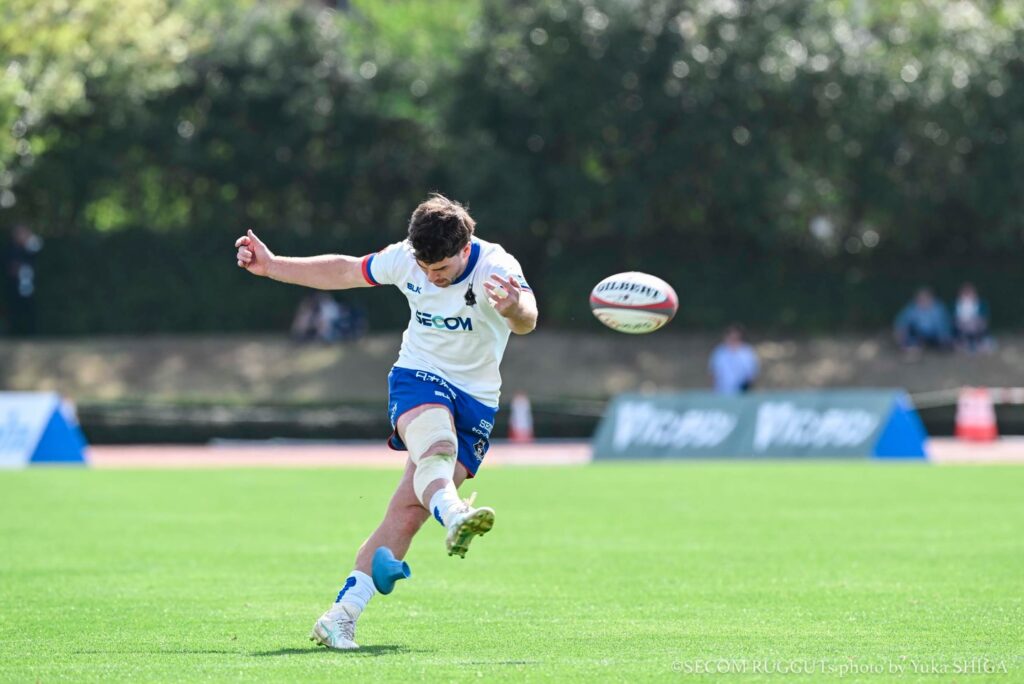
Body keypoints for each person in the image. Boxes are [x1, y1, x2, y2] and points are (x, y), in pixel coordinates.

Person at [234, 194, 538, 650]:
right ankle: (455, 514)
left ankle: (340, 616)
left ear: (465, 247)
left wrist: (513, 307)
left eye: (442, 270)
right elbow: (346, 270)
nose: (432, 278)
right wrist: (273, 265)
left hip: (477, 400)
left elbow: (527, 319)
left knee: (408, 513)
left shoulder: (497, 266)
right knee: (438, 449)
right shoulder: (405, 259)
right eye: (425, 269)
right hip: (419, 376)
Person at [4, 224, 43, 336]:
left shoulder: (30, 248)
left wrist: (28, 238)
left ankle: (30, 332)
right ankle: (14, 332)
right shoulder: (11, 248)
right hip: (13, 284)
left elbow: (37, 246)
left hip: (27, 284)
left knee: (28, 309)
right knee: (14, 309)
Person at [893, 287, 952, 354]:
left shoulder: (938, 309)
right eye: (920, 299)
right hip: (918, 336)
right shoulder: (912, 308)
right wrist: (900, 333)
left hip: (934, 337)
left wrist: (944, 339)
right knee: (906, 332)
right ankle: (910, 348)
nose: (923, 301)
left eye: (925, 298)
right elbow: (902, 321)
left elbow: (943, 327)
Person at [709, 324, 759, 394]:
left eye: (736, 338)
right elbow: (713, 373)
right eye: (731, 337)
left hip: (742, 393)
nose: (733, 340)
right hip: (722, 392)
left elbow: (751, 374)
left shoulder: (747, 352)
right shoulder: (719, 352)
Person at [952, 283, 992, 353]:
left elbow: (984, 320)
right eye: (965, 293)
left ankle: (977, 345)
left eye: (969, 293)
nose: (967, 296)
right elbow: (955, 321)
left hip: (977, 331)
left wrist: (975, 324)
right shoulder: (956, 305)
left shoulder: (981, 304)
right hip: (962, 332)